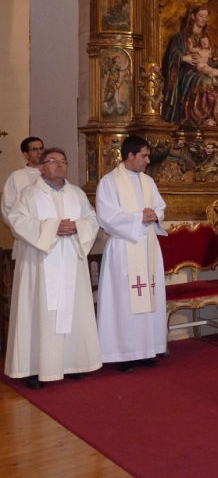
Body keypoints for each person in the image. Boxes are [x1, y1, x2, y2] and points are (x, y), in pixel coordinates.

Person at [5, 148, 101, 389]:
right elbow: (17, 222)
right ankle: (34, 368)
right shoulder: (29, 194)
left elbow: (92, 219)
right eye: (53, 161)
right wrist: (52, 228)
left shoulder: (77, 194)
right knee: (38, 312)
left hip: (71, 260)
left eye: (63, 161)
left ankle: (73, 364)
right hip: (40, 262)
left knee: (74, 309)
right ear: (41, 167)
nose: (59, 165)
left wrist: (78, 226)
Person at [96, 135, 168, 372]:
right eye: (144, 156)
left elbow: (160, 206)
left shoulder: (148, 182)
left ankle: (147, 349)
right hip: (124, 248)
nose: (148, 160)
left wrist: (155, 215)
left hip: (147, 246)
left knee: (148, 299)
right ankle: (124, 353)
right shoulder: (109, 182)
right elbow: (106, 216)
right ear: (130, 155)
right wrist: (140, 217)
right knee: (124, 301)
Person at [162, 4, 218, 126]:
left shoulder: (208, 40)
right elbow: (173, 54)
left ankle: (217, 118)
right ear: (193, 16)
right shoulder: (181, 37)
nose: (204, 19)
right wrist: (183, 57)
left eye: (206, 16)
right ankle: (200, 118)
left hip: (207, 70)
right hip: (188, 73)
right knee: (204, 80)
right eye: (201, 15)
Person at [1, 137, 44, 261]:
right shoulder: (16, 177)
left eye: (41, 148)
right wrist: (27, 229)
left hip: (51, 236)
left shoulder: (52, 175)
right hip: (26, 238)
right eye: (34, 149)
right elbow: (7, 209)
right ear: (25, 154)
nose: (39, 152)